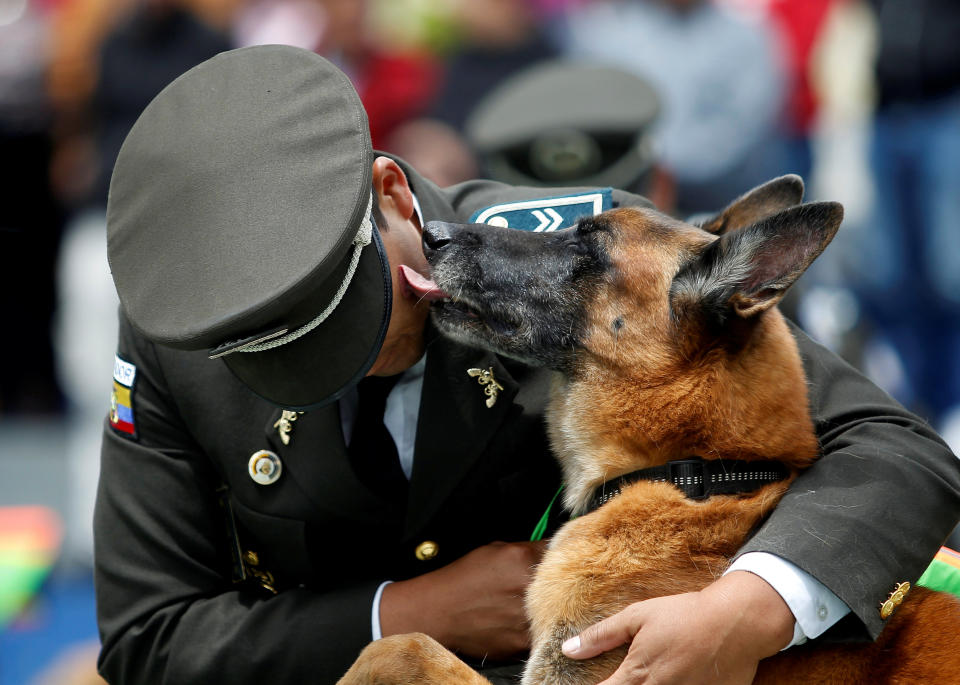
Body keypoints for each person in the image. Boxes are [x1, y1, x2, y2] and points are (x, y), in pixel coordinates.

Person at [95, 45, 960, 684]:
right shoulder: (184, 332)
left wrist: (746, 610)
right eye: (283, 356)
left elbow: (896, 449)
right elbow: (147, 636)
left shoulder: (582, 265)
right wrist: (401, 611)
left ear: (395, 195)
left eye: (359, 316)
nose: (345, 370)